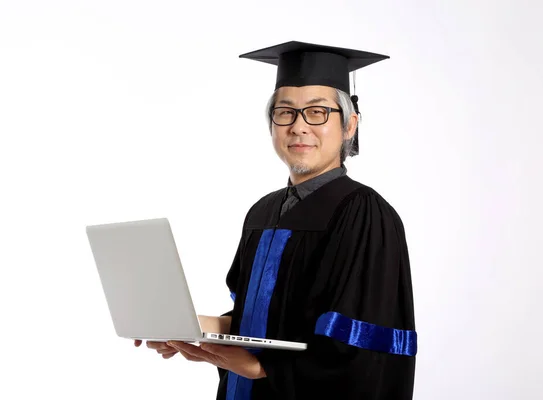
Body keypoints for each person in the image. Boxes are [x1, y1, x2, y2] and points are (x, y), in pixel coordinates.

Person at [135, 41, 417, 399]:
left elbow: (361, 347)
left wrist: (262, 366)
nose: (299, 127)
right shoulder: (262, 212)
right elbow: (255, 318)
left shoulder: (364, 214)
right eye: (285, 112)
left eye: (317, 112)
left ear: (350, 125)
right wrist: (189, 329)